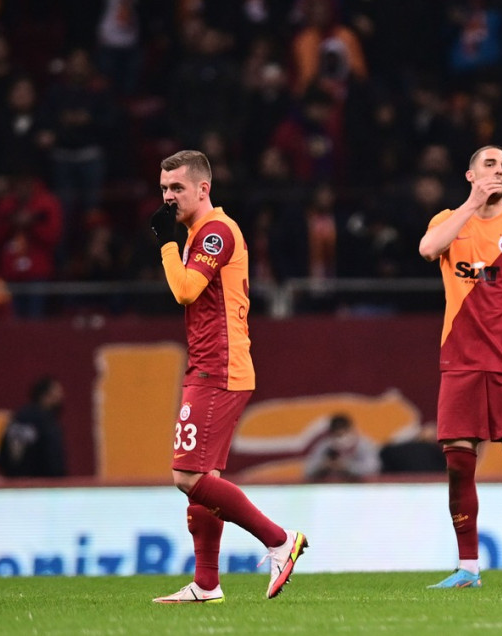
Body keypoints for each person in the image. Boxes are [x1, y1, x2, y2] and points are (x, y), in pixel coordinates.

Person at [149, 150, 306, 605]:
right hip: (210, 363)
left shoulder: (216, 231)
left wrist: (163, 245)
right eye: (163, 190)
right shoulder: (200, 233)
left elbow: (184, 290)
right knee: (205, 481)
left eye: (177, 188)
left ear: (204, 189)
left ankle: (279, 541)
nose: (168, 197)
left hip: (219, 366)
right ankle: (207, 584)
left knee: (186, 475)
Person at [418, 145, 502, 589]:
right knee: (459, 464)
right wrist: (471, 205)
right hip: (460, 361)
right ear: (470, 175)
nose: (499, 172)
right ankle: (468, 567)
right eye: (490, 165)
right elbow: (426, 249)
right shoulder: (448, 222)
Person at [0, 375, 67, 478]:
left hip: (14, 487)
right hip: (41, 488)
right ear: (46, 395)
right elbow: (54, 460)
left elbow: (3, 457)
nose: (62, 397)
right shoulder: (46, 422)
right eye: (57, 393)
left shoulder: (18, 417)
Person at [304, 413, 380, 482]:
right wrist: (324, 466)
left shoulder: (364, 445)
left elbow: (373, 468)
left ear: (351, 430)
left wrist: (347, 466)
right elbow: (307, 470)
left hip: (358, 488)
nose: (341, 439)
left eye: (343, 434)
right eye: (337, 435)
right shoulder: (325, 446)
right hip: (330, 488)